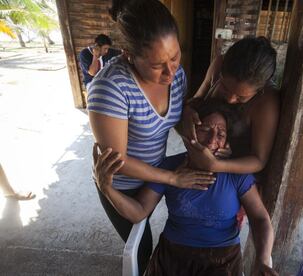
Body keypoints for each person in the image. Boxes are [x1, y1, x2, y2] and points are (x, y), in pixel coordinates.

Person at [87, 1, 215, 274]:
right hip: (121, 182)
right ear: (129, 55)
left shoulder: (176, 75)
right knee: (142, 249)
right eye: (158, 65)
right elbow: (117, 161)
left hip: (156, 169)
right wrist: (172, 178)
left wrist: (189, 121)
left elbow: (174, 116)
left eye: (175, 57)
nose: (170, 72)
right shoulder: (110, 88)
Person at [94, 103, 278, 276]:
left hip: (222, 258)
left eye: (221, 134)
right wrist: (107, 188)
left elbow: (260, 218)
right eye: (205, 130)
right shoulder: (170, 167)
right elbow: (138, 212)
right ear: (189, 132)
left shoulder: (236, 173)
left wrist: (262, 261)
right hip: (173, 253)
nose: (212, 140)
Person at [181, 37, 280, 176]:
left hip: (232, 174)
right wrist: (188, 110)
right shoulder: (219, 64)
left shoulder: (266, 102)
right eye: (225, 88)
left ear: (260, 89)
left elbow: (259, 160)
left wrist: (216, 165)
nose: (230, 99)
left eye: (241, 97)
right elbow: (197, 99)